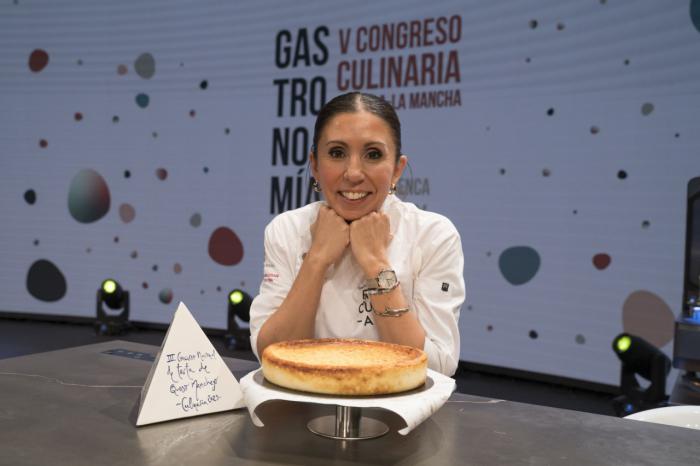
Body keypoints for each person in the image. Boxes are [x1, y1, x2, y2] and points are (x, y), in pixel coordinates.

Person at [250, 92, 465, 376]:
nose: (353, 173)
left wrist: (376, 264)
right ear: (314, 165)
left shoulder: (434, 235)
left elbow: (438, 365)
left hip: (399, 413)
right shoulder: (288, 229)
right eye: (337, 153)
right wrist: (316, 259)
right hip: (305, 407)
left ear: (397, 169)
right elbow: (269, 354)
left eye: (373, 154)